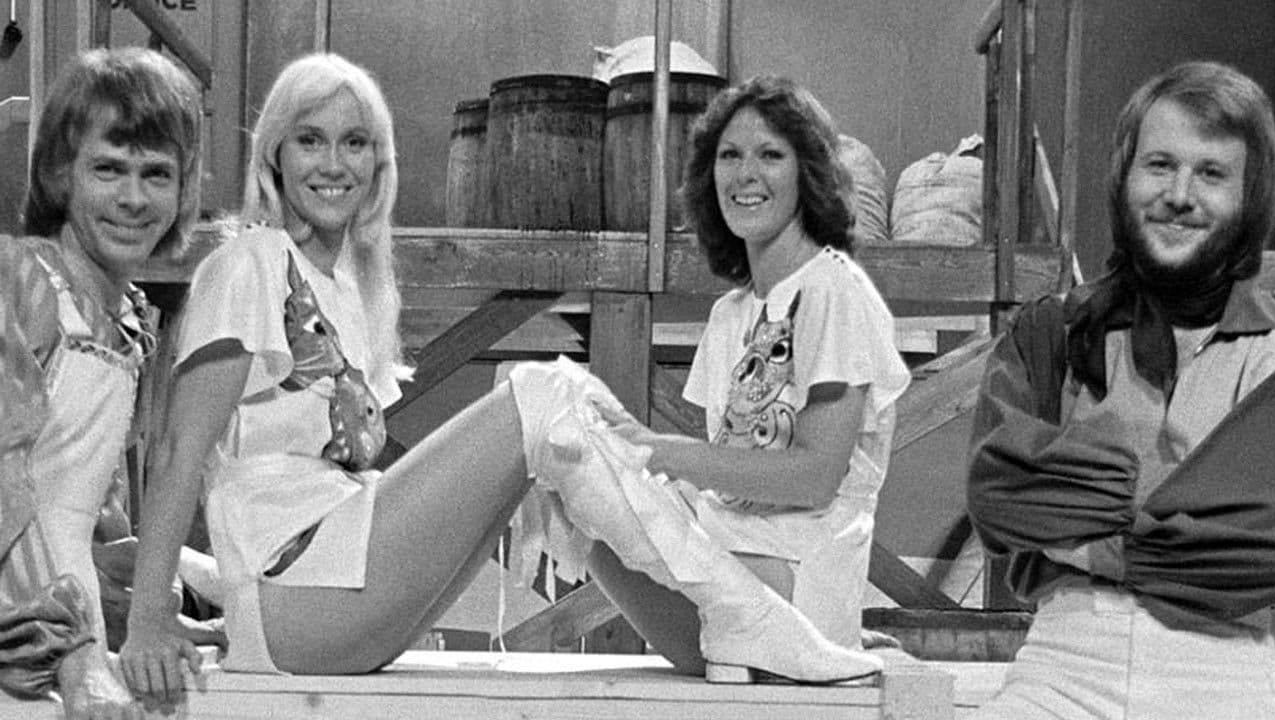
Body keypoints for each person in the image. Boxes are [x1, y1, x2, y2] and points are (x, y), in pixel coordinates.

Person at [121, 55, 892, 708]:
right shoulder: (250, 261)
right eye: (309, 140)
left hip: (325, 586)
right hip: (300, 590)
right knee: (546, 393)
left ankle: (750, 617)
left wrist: (536, 476)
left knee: (569, 426)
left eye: (355, 142)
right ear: (274, 154)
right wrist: (150, 615)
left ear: (379, 162)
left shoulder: (350, 285)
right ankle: (744, 614)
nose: (333, 164)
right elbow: (181, 449)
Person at [967, 60, 1275, 718]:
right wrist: (1182, 518)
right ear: (1124, 176)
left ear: (1250, 197)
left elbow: (1262, 551)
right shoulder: (1049, 332)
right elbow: (999, 495)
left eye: (1211, 173)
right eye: (1159, 165)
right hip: (1064, 661)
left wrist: (1091, 506)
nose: (1179, 194)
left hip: (1226, 668)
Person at [577, 73, 912, 678]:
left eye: (770, 155)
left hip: (796, 582)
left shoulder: (833, 290)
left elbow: (814, 478)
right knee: (577, 486)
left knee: (580, 467)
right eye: (729, 156)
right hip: (736, 560)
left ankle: (816, 644)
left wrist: (665, 455)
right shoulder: (729, 315)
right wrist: (629, 452)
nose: (745, 175)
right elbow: (731, 475)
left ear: (809, 173)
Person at [0, 47, 206, 720]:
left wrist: (166, 594)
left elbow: (78, 515)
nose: (134, 198)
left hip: (62, 643)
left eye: (157, 174)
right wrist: (79, 663)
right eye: (109, 169)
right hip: (34, 650)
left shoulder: (130, 322)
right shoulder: (17, 282)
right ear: (60, 173)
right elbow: (6, 494)